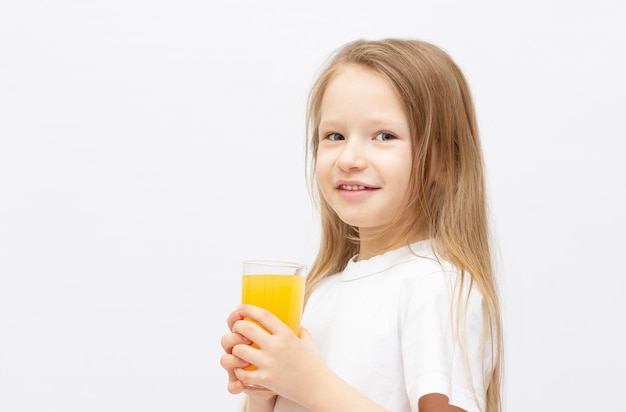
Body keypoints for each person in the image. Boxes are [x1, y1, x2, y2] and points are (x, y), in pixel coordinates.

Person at [220, 38, 503, 412]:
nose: (349, 158)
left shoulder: (432, 286)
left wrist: (310, 384)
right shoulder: (321, 291)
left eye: (384, 136)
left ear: (442, 162)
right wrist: (263, 391)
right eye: (334, 136)